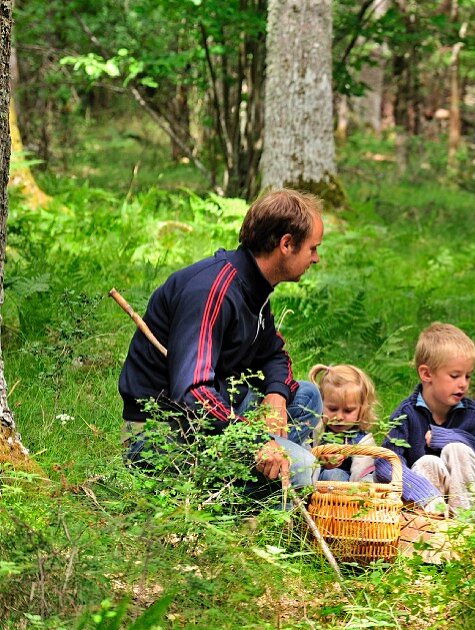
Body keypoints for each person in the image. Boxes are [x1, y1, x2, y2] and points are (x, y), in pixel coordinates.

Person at [118, 188, 325, 491]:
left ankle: (255, 483)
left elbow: (273, 353)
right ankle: (240, 503)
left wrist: (276, 397)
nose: (316, 258)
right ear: (286, 244)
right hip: (165, 434)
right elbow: (191, 394)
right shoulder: (212, 292)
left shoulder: (254, 287)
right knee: (301, 466)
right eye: (313, 248)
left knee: (307, 396)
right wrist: (258, 441)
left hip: (218, 411)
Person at [381, 323, 475, 512]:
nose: (463, 384)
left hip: (466, 503)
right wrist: (424, 492)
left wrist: (453, 437)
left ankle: (468, 521)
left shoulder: (470, 413)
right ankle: (431, 527)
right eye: (454, 376)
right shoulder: (406, 414)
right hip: (427, 503)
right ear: (427, 374)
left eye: (468, 376)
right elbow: (385, 464)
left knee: (457, 449)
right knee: (428, 462)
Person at [310, 363, 447, 516]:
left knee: (339, 477)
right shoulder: (316, 430)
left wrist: (362, 495)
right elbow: (306, 455)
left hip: (348, 496)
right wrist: (320, 461)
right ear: (321, 404)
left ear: (361, 409)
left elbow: (363, 476)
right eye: (333, 409)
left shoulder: (362, 440)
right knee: (331, 474)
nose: (339, 417)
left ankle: (345, 517)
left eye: (348, 410)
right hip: (316, 488)